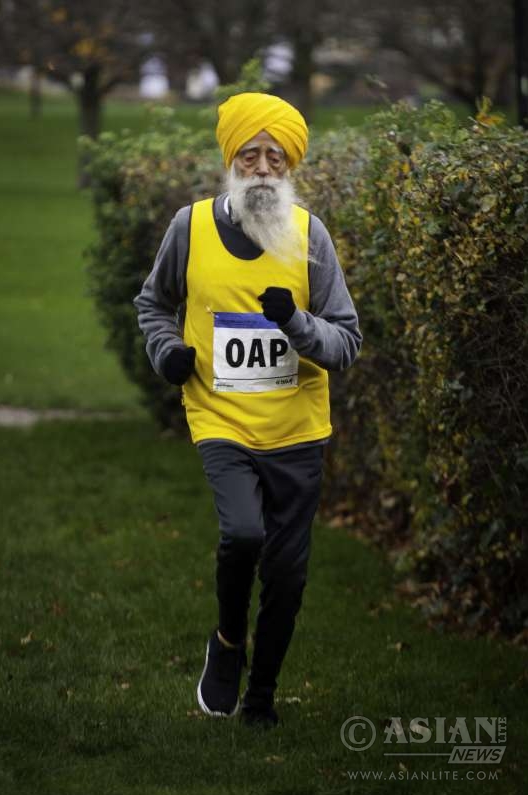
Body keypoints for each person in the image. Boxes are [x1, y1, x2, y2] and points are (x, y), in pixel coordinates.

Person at [133, 92, 363, 729]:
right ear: (230, 160)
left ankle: (261, 699)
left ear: (290, 168)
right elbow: (152, 304)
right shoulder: (191, 226)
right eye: (250, 155)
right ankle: (228, 645)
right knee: (242, 534)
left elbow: (346, 343)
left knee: (287, 578)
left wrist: (295, 323)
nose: (263, 168)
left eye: (276, 158)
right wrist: (167, 352)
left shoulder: (310, 235)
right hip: (221, 419)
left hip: (297, 430)